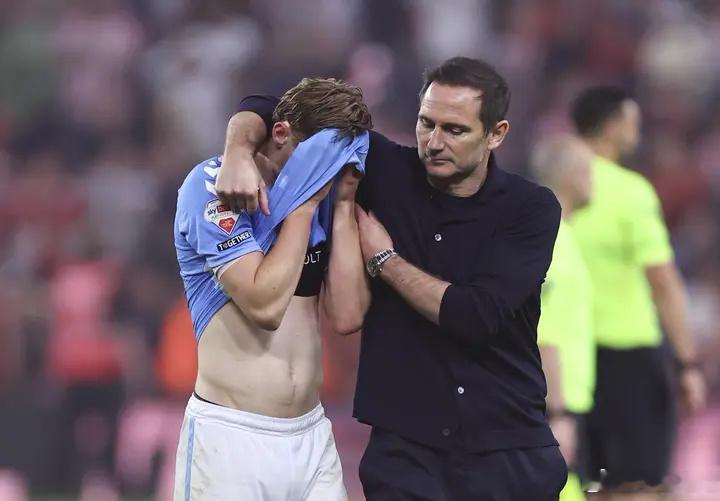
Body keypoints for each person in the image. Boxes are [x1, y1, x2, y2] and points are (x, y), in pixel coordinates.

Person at [217, 57, 567, 500]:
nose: (434, 143)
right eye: (426, 123)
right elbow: (275, 108)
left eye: (455, 130)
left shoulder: (530, 208)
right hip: (405, 455)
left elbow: (475, 315)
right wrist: (237, 152)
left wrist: (385, 260)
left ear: (495, 134)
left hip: (507, 450)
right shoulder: (383, 168)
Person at [172, 77, 373, 501]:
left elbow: (347, 316)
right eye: (318, 161)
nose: (324, 174)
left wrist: (341, 207)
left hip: (313, 436)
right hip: (231, 440)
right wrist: (303, 203)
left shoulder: (325, 198)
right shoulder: (212, 188)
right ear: (280, 134)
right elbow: (264, 305)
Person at [568, 86, 707, 498]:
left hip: (570, 360)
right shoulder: (630, 191)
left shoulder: (551, 189)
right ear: (612, 127)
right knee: (639, 482)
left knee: (590, 480)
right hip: (628, 354)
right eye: (631, 122)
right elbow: (662, 279)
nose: (638, 131)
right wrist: (688, 362)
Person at [531, 135, 596, 501]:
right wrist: (559, 414)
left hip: (562, 403)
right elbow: (545, 332)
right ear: (571, 175)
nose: (594, 181)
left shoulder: (560, 234)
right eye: (589, 171)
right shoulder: (552, 238)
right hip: (552, 406)